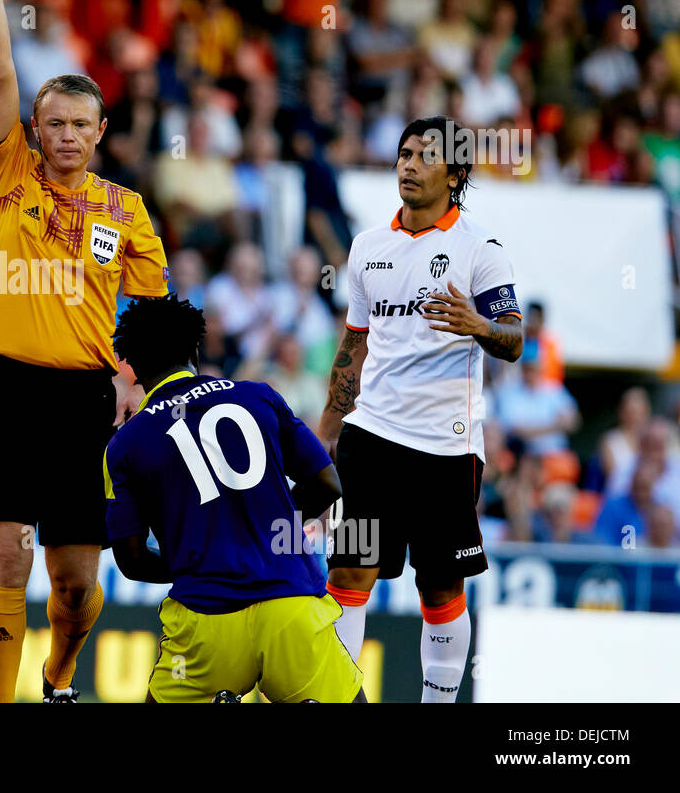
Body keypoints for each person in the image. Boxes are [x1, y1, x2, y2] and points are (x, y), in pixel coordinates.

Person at [0, 0, 170, 702]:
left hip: (89, 401)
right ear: (35, 129)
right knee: (7, 557)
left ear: (102, 129)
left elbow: (154, 323)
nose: (67, 136)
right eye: (54, 123)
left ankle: (59, 672)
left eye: (82, 123)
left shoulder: (128, 211)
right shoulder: (7, 172)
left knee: (78, 587)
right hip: (9, 389)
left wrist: (136, 384)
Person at [317, 115, 524, 703]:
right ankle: (336, 696)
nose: (407, 164)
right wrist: (325, 430)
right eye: (404, 153)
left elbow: (512, 340)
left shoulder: (480, 250)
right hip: (372, 437)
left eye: (424, 156)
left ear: (455, 172)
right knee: (348, 574)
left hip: (447, 445)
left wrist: (477, 324)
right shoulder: (367, 247)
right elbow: (353, 345)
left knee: (438, 587)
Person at [104, 294, 364, 703]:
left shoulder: (125, 444)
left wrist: (202, 560)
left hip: (206, 625)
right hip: (291, 608)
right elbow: (328, 484)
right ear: (195, 348)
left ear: (132, 367)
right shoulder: (260, 396)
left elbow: (132, 561)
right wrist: (269, 534)